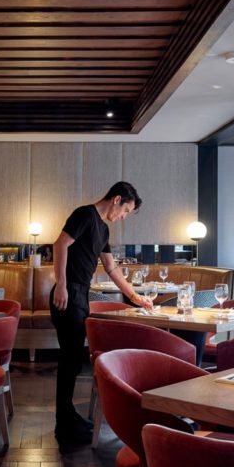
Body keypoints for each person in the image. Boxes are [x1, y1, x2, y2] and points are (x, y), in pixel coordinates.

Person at [50, 181, 153, 445]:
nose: (124, 217)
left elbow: (111, 268)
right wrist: (61, 285)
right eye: (126, 210)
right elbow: (60, 245)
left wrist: (134, 297)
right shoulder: (85, 214)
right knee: (70, 359)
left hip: (80, 295)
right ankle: (63, 423)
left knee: (74, 359)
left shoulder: (103, 229)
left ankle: (68, 415)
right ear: (116, 199)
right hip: (68, 292)